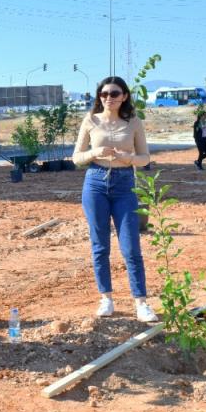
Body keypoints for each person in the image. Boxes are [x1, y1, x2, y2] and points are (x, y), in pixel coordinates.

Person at [72, 76, 158, 323]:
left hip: (124, 183)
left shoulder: (133, 122)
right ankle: (106, 298)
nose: (108, 98)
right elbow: (76, 157)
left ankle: (140, 301)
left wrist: (129, 157)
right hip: (95, 181)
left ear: (124, 96)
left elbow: (145, 158)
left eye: (114, 93)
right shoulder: (90, 120)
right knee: (100, 244)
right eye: (103, 93)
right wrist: (94, 153)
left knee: (131, 246)